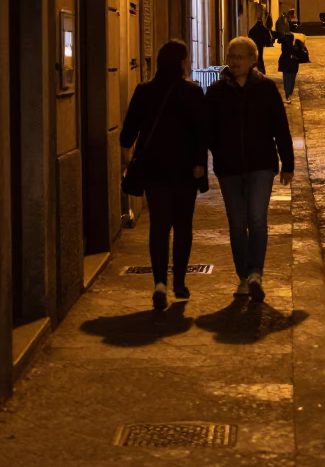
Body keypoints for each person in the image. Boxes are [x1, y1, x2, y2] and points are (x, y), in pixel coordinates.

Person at [119, 39, 208, 310]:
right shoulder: (192, 91)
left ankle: (159, 283)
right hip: (185, 170)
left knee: (159, 226)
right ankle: (179, 283)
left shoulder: (144, 91)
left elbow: (126, 135)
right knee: (183, 227)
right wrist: (200, 164)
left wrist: (129, 159)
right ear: (182, 62)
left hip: (154, 171)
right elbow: (201, 134)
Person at [206, 36, 294, 302]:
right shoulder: (216, 91)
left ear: (253, 60)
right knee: (236, 224)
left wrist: (287, 164)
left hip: (261, 166)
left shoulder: (266, 89)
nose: (234, 62)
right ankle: (243, 276)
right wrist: (217, 152)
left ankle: (256, 272)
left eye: (240, 57)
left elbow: (280, 127)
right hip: (229, 168)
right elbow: (207, 130)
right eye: (231, 57)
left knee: (256, 219)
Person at [278, 33, 301, 105]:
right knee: (290, 79)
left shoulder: (285, 44)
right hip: (291, 64)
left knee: (287, 79)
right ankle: (288, 94)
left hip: (286, 64)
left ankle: (288, 94)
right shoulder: (293, 46)